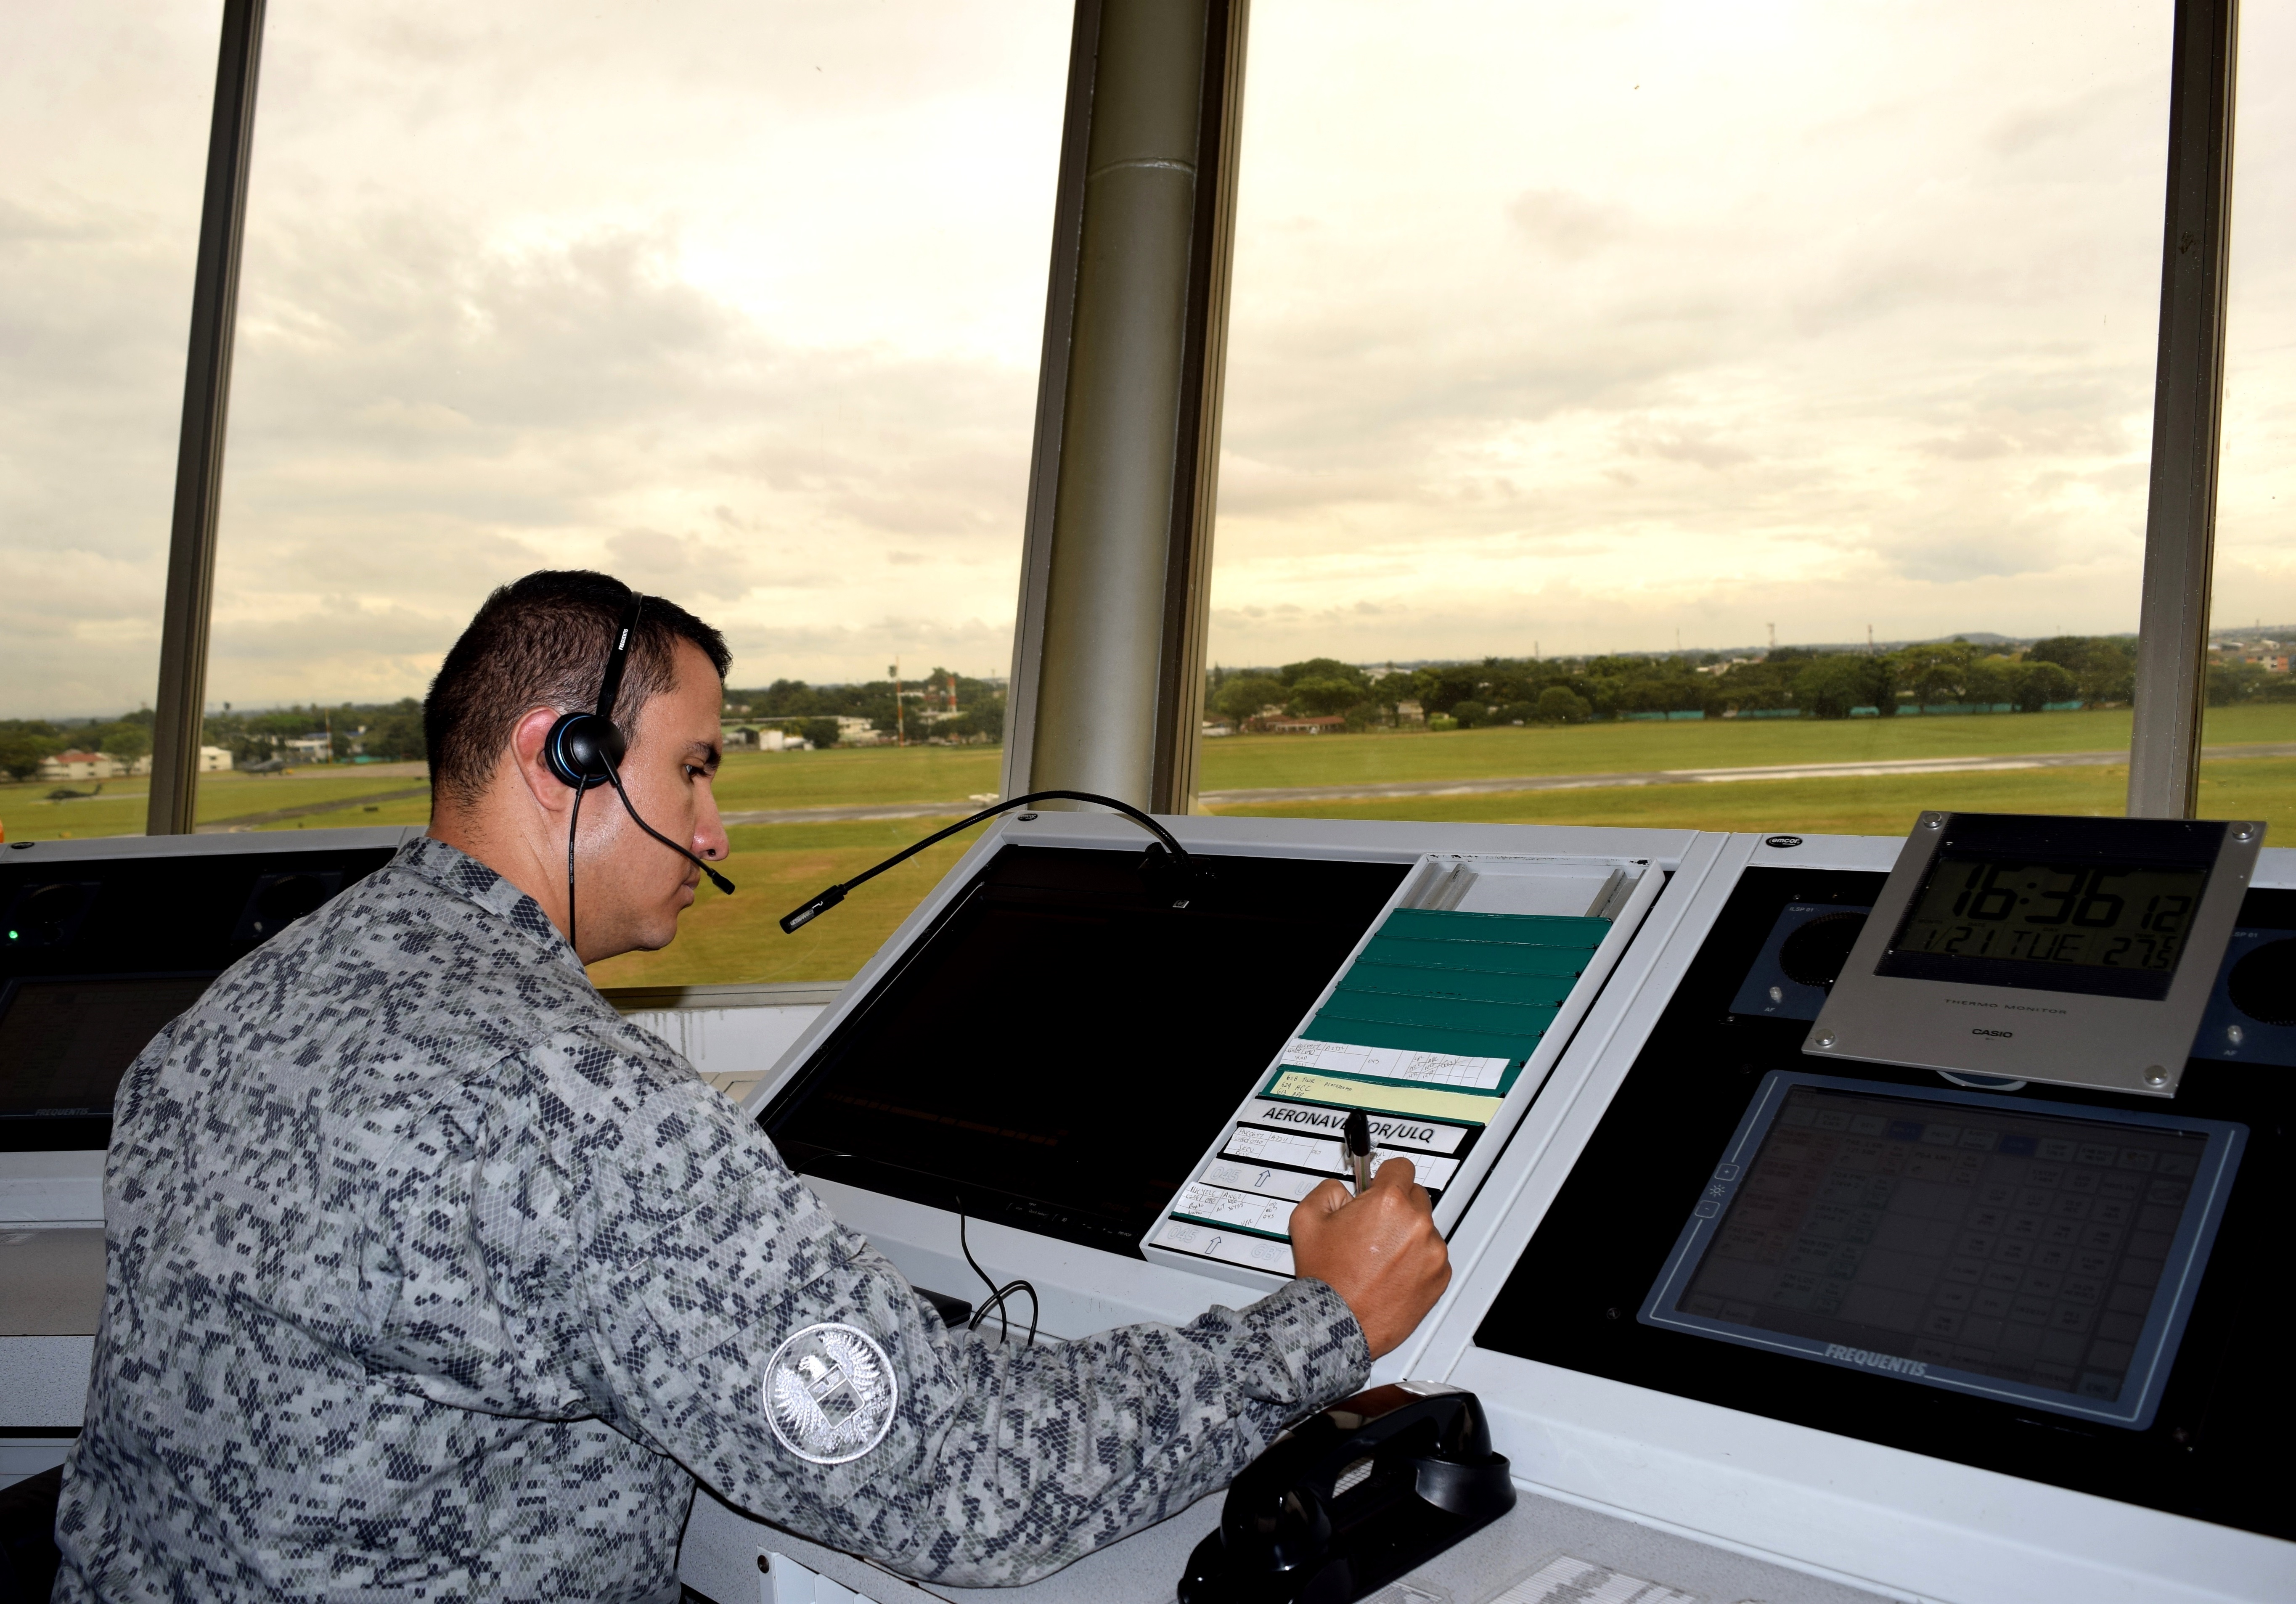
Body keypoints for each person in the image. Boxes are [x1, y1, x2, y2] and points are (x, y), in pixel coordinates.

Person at [54, 571, 1450, 1602]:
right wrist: (1321, 1326)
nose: (715, 829)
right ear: (564, 756)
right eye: (694, 769)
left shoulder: (241, 1005)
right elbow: (961, 1487)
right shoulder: (566, 1101)